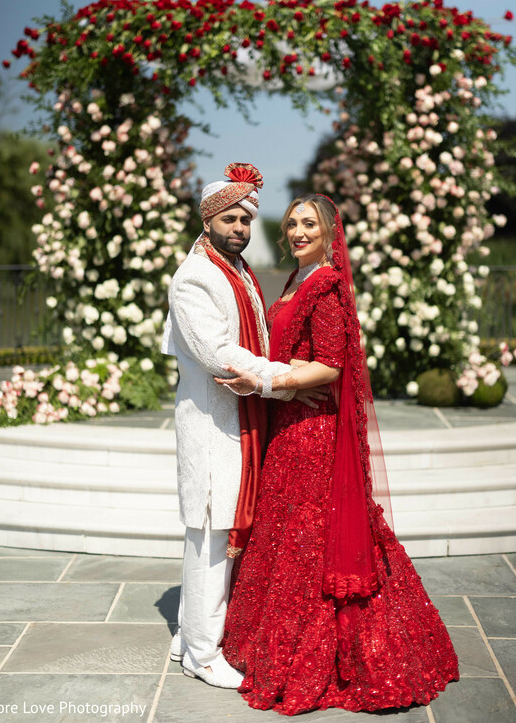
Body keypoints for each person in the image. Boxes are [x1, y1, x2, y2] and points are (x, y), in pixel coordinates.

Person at [216, 194, 459, 715]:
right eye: (293, 224)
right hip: (292, 426)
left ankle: (340, 654)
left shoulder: (324, 285)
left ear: (330, 232)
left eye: (310, 224)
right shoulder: (296, 280)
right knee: (289, 539)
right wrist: (282, 380)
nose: (300, 232)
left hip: (314, 436)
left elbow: (329, 366)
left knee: (312, 542)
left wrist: (265, 379)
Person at [161, 166, 325, 691]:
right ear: (207, 221)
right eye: (228, 218)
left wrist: (279, 378)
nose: (238, 227)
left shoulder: (237, 271)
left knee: (213, 535)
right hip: (212, 423)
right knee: (210, 534)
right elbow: (221, 356)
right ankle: (204, 656)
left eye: (245, 219)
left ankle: (188, 637)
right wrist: (291, 380)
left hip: (239, 421)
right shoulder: (194, 278)